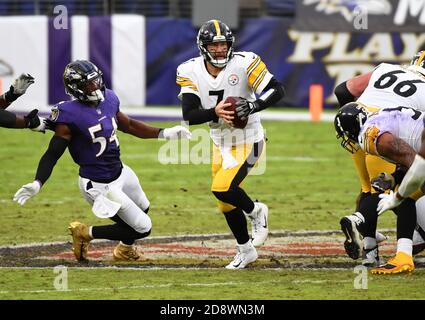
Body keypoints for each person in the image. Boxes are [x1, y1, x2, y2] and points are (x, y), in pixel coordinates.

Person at [13, 60, 191, 262]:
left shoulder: (109, 98)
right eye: (89, 84)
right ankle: (84, 233)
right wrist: (38, 182)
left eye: (96, 81)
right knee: (142, 227)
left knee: (142, 206)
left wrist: (165, 133)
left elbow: (130, 125)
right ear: (76, 88)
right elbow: (53, 153)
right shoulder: (69, 113)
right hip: (99, 184)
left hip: (120, 171)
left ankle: (124, 250)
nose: (95, 86)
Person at [176, 20, 285, 269]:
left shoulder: (245, 62)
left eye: (223, 44)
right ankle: (245, 250)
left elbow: (277, 89)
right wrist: (215, 112)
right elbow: (190, 115)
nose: (220, 50)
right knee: (225, 202)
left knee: (222, 187)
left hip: (250, 140)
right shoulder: (189, 70)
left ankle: (256, 210)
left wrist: (253, 105)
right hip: (220, 143)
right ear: (203, 47)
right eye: (214, 45)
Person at [334, 50, 425, 266]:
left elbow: (343, 90)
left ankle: (370, 251)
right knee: (403, 190)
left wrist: (349, 120)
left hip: (358, 125)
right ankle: (401, 251)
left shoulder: (387, 68)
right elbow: (417, 166)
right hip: (387, 135)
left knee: (371, 189)